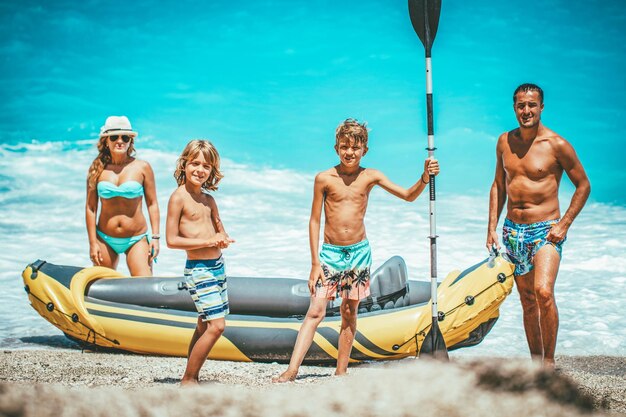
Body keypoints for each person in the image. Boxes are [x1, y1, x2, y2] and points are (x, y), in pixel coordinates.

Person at [273, 118, 439, 382]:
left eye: (355, 147)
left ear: (365, 150)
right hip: (329, 255)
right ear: (336, 148)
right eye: (344, 147)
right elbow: (315, 220)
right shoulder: (324, 178)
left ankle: (341, 372)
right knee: (315, 312)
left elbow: (408, 195)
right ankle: (292, 370)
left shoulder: (370, 176)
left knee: (349, 313)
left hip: (359, 255)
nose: (349, 152)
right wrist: (315, 262)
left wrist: (424, 177)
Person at [486, 83, 590, 368]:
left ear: (541, 107)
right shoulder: (504, 142)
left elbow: (583, 185)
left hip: (546, 230)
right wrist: (491, 228)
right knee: (527, 300)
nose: (526, 110)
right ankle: (535, 363)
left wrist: (565, 224)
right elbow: (498, 185)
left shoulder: (556, 145)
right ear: (514, 107)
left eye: (532, 105)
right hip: (512, 232)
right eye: (521, 105)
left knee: (543, 292)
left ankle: (549, 361)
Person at [166, 139, 235, 385]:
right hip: (198, 270)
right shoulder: (178, 198)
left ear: (212, 171)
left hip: (218, 267)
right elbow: (171, 240)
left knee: (204, 324)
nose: (200, 170)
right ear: (184, 164)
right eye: (195, 163)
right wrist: (208, 241)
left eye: (206, 166)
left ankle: (192, 373)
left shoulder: (208, 200)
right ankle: (189, 378)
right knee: (217, 326)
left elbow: (219, 230)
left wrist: (223, 239)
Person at [86, 116, 160, 276]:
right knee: (102, 289)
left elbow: (152, 203)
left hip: (137, 238)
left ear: (130, 141)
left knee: (144, 287)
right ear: (106, 140)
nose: (120, 141)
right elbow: (91, 208)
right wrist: (93, 243)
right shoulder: (96, 169)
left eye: (125, 137)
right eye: (114, 137)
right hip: (104, 238)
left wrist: (155, 237)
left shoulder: (142, 167)